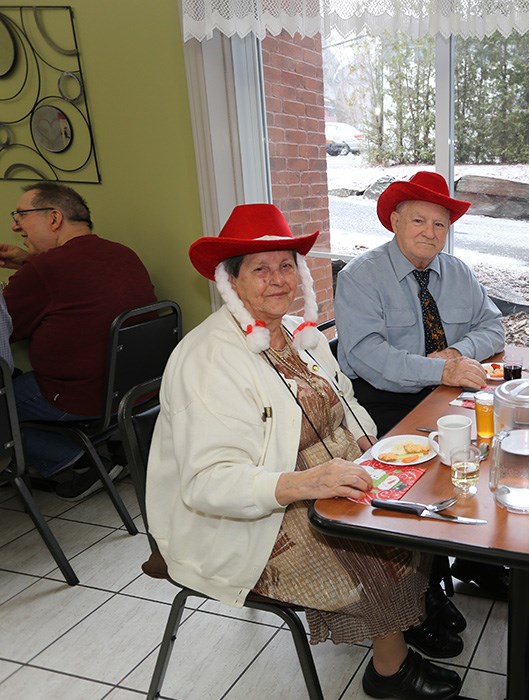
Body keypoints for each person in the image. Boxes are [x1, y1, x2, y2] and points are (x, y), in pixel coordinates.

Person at [147, 204, 462, 700]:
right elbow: (207, 483)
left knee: (415, 518)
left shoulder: (299, 333)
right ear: (231, 282)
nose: (277, 279)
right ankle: (389, 671)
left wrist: (373, 448)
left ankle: (405, 621)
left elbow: (348, 401)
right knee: (374, 551)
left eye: (286, 265)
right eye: (260, 268)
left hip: (330, 475)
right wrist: (306, 483)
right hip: (254, 511)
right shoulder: (208, 359)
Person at [335, 170, 507, 600]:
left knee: (487, 450)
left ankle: (476, 557)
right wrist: (441, 372)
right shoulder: (360, 276)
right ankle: (419, 590)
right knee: (423, 476)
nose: (430, 234)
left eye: (440, 225)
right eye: (419, 221)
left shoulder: (457, 272)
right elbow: (370, 360)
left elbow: (494, 328)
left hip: (444, 390)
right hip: (383, 398)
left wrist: (457, 352)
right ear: (394, 221)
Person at [0, 182, 155, 499]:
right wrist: (29, 262)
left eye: (21, 215)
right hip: (134, 390)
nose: (16, 225)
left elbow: (6, 326)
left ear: (54, 218)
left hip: (75, 396)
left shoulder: (45, 270)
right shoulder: (122, 253)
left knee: (4, 406)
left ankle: (80, 460)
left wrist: (30, 269)